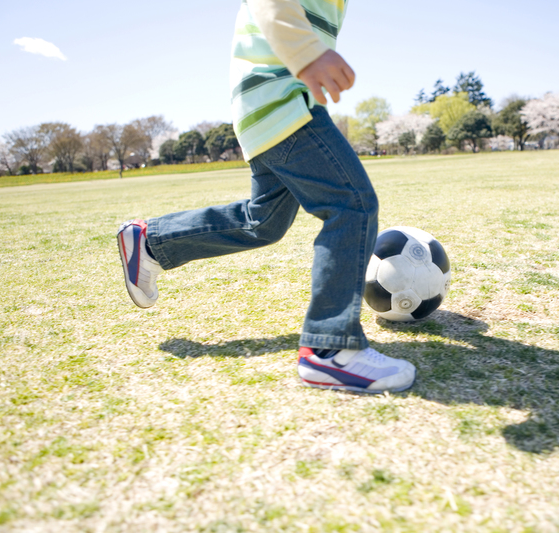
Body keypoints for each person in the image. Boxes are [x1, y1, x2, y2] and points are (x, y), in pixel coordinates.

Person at [116, 0, 415, 393]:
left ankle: (151, 242)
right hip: (281, 97)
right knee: (351, 204)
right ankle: (329, 350)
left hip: (263, 105)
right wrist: (308, 55)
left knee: (264, 221)